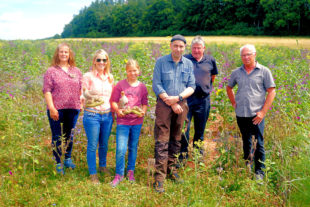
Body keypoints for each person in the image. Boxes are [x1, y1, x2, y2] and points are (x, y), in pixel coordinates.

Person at [152, 34, 196, 193]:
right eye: (175, 45)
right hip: (164, 105)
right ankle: (159, 178)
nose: (178, 49)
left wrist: (177, 99)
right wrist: (170, 102)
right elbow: (156, 84)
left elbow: (192, 86)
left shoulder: (188, 64)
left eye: (181, 46)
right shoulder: (161, 62)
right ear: (171, 46)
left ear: (185, 48)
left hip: (181, 105)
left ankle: (172, 170)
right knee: (162, 140)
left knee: (177, 138)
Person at [226, 44, 276, 181]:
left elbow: (272, 91)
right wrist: (234, 103)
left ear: (255, 55)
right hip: (241, 113)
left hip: (256, 115)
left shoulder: (264, 71)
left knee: (258, 143)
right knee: (246, 140)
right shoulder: (237, 72)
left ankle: (259, 172)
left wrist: (263, 112)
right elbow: (229, 87)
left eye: (249, 54)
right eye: (243, 55)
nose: (246, 57)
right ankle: (248, 165)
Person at [43, 43, 82, 175]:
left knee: (70, 135)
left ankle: (67, 159)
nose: (64, 54)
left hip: (73, 108)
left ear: (69, 54)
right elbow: (47, 91)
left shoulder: (76, 71)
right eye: (61, 52)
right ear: (57, 54)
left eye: (66, 52)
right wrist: (52, 107)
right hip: (56, 109)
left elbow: (82, 89)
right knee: (57, 136)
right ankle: (58, 163)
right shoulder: (51, 71)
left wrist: (81, 101)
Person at [110, 59, 148, 187]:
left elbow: (144, 103)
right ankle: (119, 174)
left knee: (133, 147)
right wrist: (118, 110)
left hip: (137, 121)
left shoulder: (142, 87)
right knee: (121, 148)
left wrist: (142, 112)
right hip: (123, 121)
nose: (133, 73)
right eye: (130, 71)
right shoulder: (120, 85)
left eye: (135, 70)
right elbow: (113, 101)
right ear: (126, 71)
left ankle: (130, 171)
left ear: (139, 71)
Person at [180, 36, 218, 161]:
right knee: (184, 129)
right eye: (194, 48)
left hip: (203, 101)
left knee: (200, 129)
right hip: (187, 100)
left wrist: (205, 88)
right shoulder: (184, 59)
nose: (196, 50)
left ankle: (197, 156)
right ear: (190, 48)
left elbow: (212, 77)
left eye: (199, 48)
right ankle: (183, 156)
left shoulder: (210, 60)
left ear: (204, 48)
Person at [82, 49, 114, 184]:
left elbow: (112, 97)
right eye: (99, 60)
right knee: (92, 145)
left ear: (107, 62)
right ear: (94, 61)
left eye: (104, 60)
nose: (102, 62)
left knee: (104, 144)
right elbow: (82, 94)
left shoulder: (110, 77)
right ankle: (93, 173)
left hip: (107, 115)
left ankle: (102, 166)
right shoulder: (88, 76)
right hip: (92, 114)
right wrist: (88, 96)